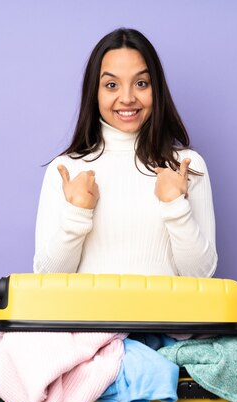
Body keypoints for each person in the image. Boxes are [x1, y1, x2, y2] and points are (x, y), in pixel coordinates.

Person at [33, 28, 217, 278]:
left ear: (157, 89)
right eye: (111, 85)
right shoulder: (66, 170)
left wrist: (175, 205)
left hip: (165, 317)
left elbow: (200, 275)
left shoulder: (185, 165)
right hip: (86, 317)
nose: (128, 98)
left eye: (141, 83)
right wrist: (77, 213)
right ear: (94, 93)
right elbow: (46, 278)